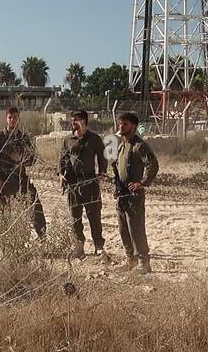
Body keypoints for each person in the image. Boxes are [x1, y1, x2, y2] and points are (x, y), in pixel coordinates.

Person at [112, 111, 159, 274]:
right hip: (121, 194)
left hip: (134, 196)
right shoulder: (121, 145)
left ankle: (143, 263)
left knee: (136, 229)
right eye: (120, 123)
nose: (121, 126)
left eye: (124, 123)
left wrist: (142, 183)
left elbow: (152, 165)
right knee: (123, 229)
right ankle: (129, 260)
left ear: (133, 126)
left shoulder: (140, 146)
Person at [0, 107, 47, 238]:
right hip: (4, 180)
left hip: (21, 179)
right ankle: (6, 240)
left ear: (18, 119)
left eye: (14, 117)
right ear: (6, 118)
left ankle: (42, 236)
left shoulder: (23, 138)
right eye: (10, 117)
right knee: (4, 212)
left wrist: (21, 159)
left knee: (35, 204)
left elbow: (32, 158)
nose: (12, 120)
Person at [58, 109, 108, 259]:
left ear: (84, 121)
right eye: (72, 119)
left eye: (77, 119)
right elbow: (62, 159)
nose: (73, 122)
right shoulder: (67, 140)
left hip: (90, 182)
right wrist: (60, 174)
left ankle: (98, 245)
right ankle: (79, 246)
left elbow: (102, 157)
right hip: (73, 183)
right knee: (75, 217)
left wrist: (102, 172)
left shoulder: (94, 139)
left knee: (94, 216)